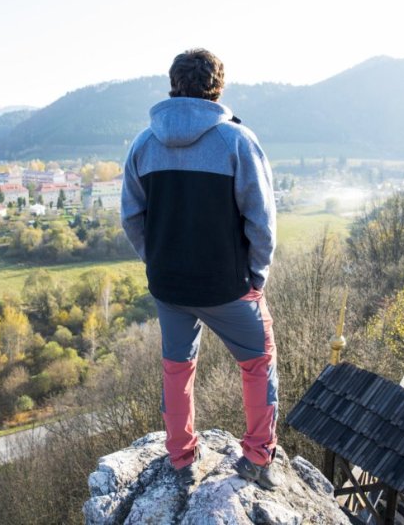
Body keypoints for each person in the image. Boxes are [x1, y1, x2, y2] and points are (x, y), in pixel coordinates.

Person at [121, 48, 280, 489]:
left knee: (177, 367)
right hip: (229, 285)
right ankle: (257, 458)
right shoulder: (237, 142)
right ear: (218, 88)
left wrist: (158, 262)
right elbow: (261, 222)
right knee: (257, 364)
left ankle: (181, 458)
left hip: (169, 285)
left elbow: (132, 218)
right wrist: (257, 277)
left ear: (173, 85)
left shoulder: (143, 143)